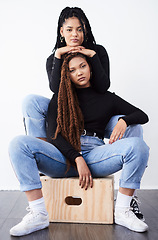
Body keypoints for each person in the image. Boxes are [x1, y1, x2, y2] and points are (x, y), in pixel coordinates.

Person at [23, 6, 144, 219]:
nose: (75, 35)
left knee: (132, 123)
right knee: (31, 102)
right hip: (70, 115)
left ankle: (128, 196)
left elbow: (102, 87)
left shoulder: (97, 51)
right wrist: (59, 56)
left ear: (85, 29)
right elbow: (56, 90)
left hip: (99, 117)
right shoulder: (54, 58)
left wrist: (92, 56)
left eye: (79, 29)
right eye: (69, 30)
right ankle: (42, 155)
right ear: (61, 32)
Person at [9, 52, 149, 236]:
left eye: (83, 66)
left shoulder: (108, 98)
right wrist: (77, 158)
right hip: (62, 157)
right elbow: (54, 135)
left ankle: (123, 210)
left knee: (138, 146)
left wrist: (124, 120)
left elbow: (142, 115)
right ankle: (38, 213)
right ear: (67, 75)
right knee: (18, 143)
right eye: (72, 70)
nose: (79, 72)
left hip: (96, 155)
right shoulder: (60, 98)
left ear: (90, 67)